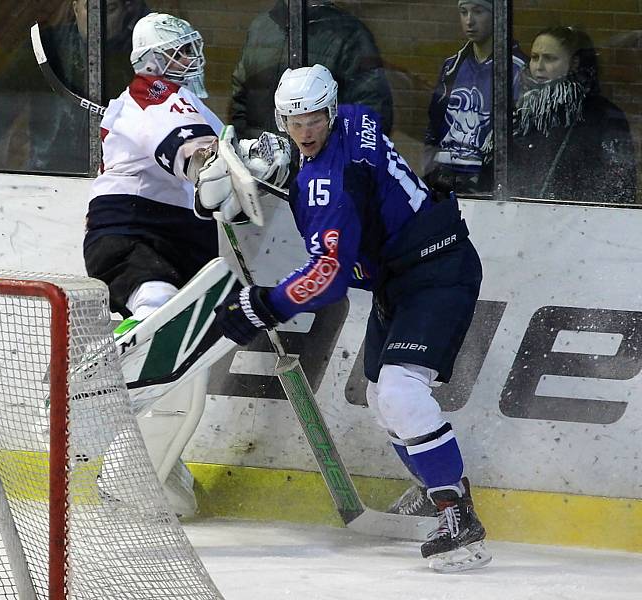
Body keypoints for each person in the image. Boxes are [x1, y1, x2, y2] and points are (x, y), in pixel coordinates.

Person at [209, 64, 490, 571]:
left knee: (403, 390)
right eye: (294, 122)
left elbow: (330, 275)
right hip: (403, 275)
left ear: (329, 112)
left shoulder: (329, 183)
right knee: (383, 398)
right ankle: (436, 490)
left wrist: (263, 305)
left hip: (436, 272)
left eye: (314, 119)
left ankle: (458, 516)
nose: (306, 132)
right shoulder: (359, 119)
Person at [84, 12, 289, 515]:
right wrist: (213, 165)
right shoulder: (151, 91)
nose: (189, 59)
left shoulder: (191, 103)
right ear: (150, 58)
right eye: (177, 51)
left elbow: (224, 171)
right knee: (161, 311)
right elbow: (193, 154)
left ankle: (148, 466)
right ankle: (96, 378)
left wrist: (256, 162)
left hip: (185, 242)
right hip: (133, 229)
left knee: (183, 363)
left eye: (190, 49)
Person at [0, 0, 149, 172]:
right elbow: (7, 92)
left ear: (125, 11)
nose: (100, 19)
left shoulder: (140, 56)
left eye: (111, 9)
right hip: (50, 166)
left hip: (120, 170)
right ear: (76, 9)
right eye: (90, 8)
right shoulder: (47, 46)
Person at [230, 0, 393, 142]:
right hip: (261, 166)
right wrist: (250, 150)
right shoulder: (261, 28)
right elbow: (240, 98)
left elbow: (370, 116)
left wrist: (336, 165)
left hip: (324, 171)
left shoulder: (350, 36)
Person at [511, 26, 637, 203]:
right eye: (534, 57)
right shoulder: (518, 112)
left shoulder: (601, 115)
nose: (539, 67)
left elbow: (619, 188)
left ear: (574, 63)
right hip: (517, 219)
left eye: (550, 58)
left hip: (579, 221)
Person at [424, 0, 525, 193]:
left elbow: (520, 131)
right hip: (442, 175)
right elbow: (434, 123)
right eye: (463, 12)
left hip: (486, 179)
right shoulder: (451, 66)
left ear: (497, 15)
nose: (469, 21)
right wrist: (429, 166)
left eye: (478, 11)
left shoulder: (518, 68)